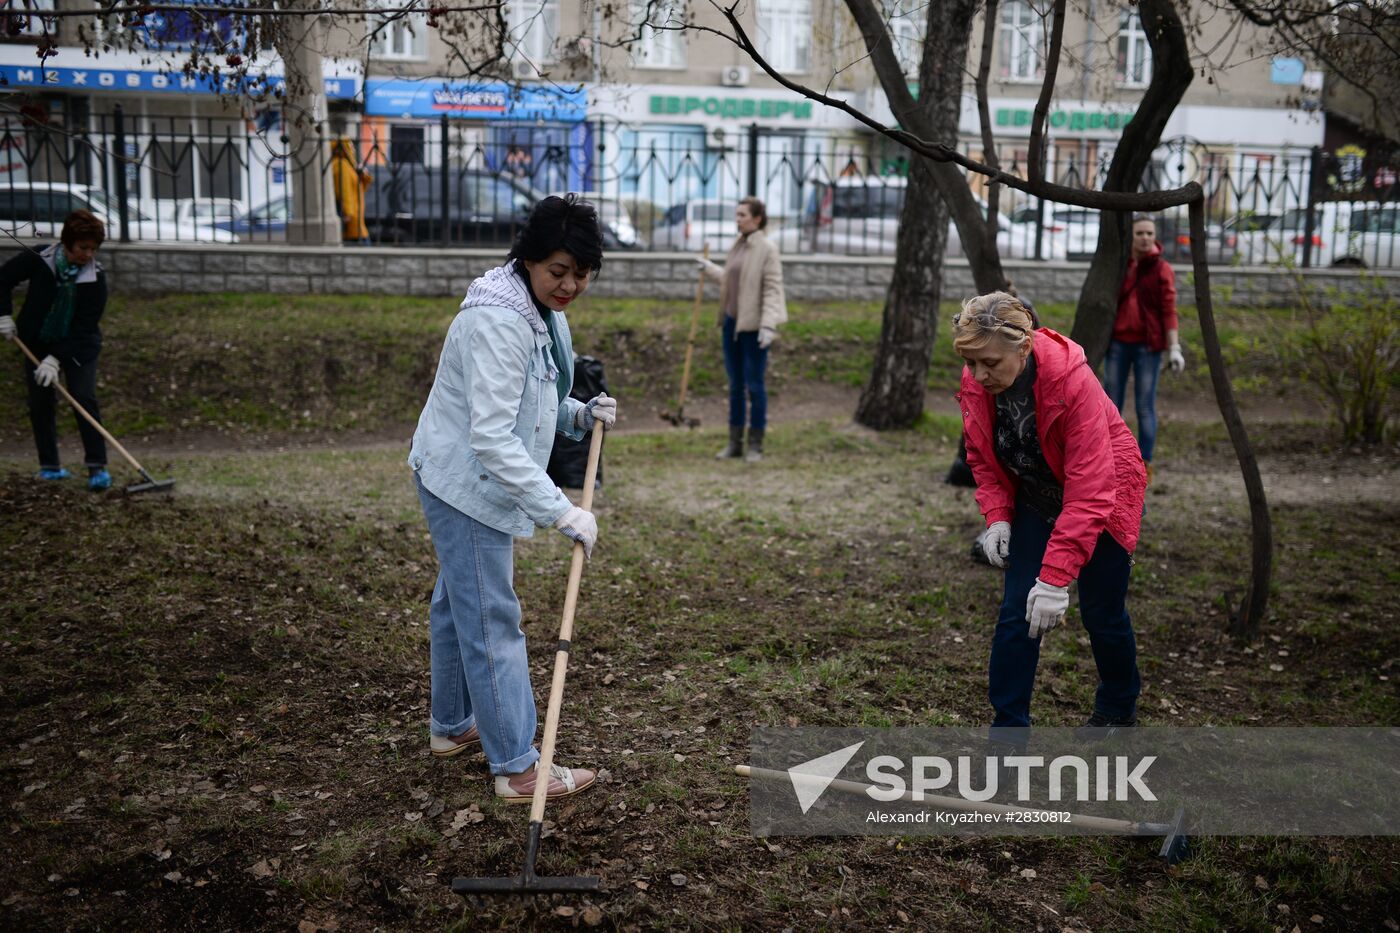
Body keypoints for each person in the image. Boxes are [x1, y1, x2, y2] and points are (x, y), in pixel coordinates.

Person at [408, 194, 615, 803]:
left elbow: (533, 399)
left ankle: (451, 726)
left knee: (457, 604)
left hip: (461, 469)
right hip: (465, 483)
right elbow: (493, 436)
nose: (570, 284)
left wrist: (578, 414)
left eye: (581, 274)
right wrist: (561, 510)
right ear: (527, 258)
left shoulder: (538, 309)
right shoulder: (498, 322)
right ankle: (519, 767)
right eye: (559, 271)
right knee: (492, 618)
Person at [954, 292, 1147, 739]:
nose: (979, 375)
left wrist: (1056, 577)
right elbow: (982, 455)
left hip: (1105, 493)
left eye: (989, 363)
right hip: (1038, 493)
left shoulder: (1072, 382)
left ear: (1023, 347)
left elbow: (1090, 490)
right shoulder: (978, 379)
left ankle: (1119, 708)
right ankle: (1008, 734)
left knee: (1101, 611)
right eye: (970, 363)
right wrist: (999, 518)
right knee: (1016, 613)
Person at [0, 209, 111, 490]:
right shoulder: (41, 258)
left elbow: (84, 328)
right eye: (83, 247)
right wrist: (3, 315)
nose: (88, 254)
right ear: (67, 242)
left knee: (83, 397)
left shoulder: (95, 279)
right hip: (36, 341)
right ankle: (50, 466)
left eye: (93, 249)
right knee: (40, 403)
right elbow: (2, 279)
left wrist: (56, 359)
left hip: (78, 347)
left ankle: (97, 467)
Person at [696, 196, 788, 462]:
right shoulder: (738, 245)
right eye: (736, 215)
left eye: (742, 215)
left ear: (757, 219)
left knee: (754, 386)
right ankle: (735, 442)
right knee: (736, 386)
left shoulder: (767, 249)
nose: (737, 220)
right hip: (731, 324)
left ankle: (755, 444)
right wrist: (711, 269)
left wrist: (769, 325)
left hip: (754, 327)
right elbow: (732, 280)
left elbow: (772, 289)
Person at [1103, 214, 1185, 480]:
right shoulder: (1119, 265)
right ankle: (1108, 460)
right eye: (1140, 233)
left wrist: (1174, 347)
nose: (1146, 238)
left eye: (1150, 233)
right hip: (1117, 344)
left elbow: (1169, 310)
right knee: (1110, 405)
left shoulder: (1162, 269)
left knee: (1145, 406)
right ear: (1131, 236)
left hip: (1148, 348)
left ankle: (1144, 464)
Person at [330, 138, 372, 245]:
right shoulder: (341, 164)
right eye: (350, 145)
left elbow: (358, 190)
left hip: (356, 222)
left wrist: (363, 176)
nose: (353, 148)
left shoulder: (347, 165)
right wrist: (348, 213)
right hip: (353, 224)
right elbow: (344, 191)